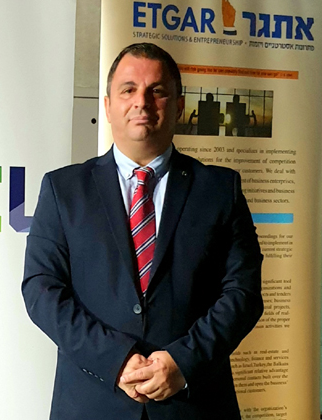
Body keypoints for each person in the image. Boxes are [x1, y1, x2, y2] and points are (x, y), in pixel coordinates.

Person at [22, 42, 263, 420]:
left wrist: (183, 362)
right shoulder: (63, 190)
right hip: (92, 404)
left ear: (179, 106)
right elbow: (41, 290)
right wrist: (115, 360)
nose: (142, 102)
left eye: (157, 91)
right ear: (107, 106)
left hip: (194, 405)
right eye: (128, 89)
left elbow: (243, 293)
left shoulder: (220, 189)